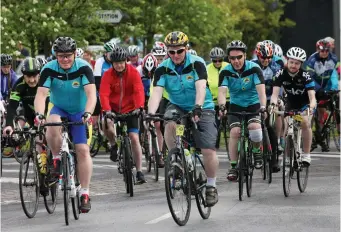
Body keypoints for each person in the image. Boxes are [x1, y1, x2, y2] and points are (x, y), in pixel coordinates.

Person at [148, 31, 219, 207]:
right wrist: (150, 113)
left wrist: (198, 107)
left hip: (202, 105)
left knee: (208, 149)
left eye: (179, 51)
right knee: (169, 122)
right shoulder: (162, 68)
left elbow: (201, 87)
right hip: (177, 106)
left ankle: (211, 186)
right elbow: (156, 93)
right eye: (171, 52)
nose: (175, 56)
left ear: (186, 49)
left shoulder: (197, 64)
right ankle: (176, 158)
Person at [34, 36, 96, 213]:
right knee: (51, 122)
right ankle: (55, 159)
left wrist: (88, 113)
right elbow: (41, 95)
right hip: (58, 108)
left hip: (79, 111)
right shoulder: (48, 69)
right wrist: (39, 114)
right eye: (61, 56)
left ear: (75, 54)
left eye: (68, 55)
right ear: (56, 55)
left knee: (83, 150)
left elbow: (91, 94)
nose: (65, 59)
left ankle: (84, 193)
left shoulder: (84, 67)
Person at [218, 40, 266, 181]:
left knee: (255, 127)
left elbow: (261, 93)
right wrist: (222, 106)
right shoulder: (225, 71)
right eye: (232, 58)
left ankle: (257, 150)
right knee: (235, 132)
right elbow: (222, 93)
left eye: (239, 57)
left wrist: (263, 107)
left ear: (245, 56)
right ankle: (233, 166)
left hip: (253, 103)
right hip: (236, 105)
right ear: (229, 59)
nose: (236, 61)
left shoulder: (254, 68)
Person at [99, 46, 147, 184]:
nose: (119, 65)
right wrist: (107, 110)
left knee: (134, 138)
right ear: (112, 63)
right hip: (113, 109)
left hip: (131, 109)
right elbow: (104, 94)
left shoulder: (133, 73)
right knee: (106, 124)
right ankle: (113, 144)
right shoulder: (107, 75)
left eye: (121, 62)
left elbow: (138, 90)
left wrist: (139, 107)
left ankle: (139, 171)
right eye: (116, 63)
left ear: (126, 61)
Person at [270, 47, 317, 166]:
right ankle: (287, 156)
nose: (293, 65)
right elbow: (274, 95)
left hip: (304, 105)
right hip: (290, 104)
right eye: (291, 62)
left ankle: (306, 155)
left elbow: (312, 98)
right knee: (287, 128)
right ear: (287, 61)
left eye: (297, 63)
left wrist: (310, 108)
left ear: (301, 64)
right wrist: (273, 105)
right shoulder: (280, 73)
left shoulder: (306, 76)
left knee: (305, 123)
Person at [251, 41, 282, 172]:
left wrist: (277, 100)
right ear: (258, 56)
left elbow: (278, 86)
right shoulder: (251, 66)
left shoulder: (275, 67)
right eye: (263, 58)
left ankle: (274, 158)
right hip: (254, 99)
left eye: (269, 57)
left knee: (269, 126)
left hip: (270, 98)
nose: (266, 60)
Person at [304, 39, 339, 152]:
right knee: (314, 111)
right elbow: (310, 77)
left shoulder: (333, 59)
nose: (324, 53)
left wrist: (334, 87)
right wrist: (318, 90)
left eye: (326, 51)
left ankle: (322, 135)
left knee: (326, 111)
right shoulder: (312, 60)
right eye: (322, 51)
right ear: (317, 50)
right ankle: (315, 133)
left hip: (328, 88)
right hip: (315, 88)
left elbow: (334, 74)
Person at [3, 57, 48, 134]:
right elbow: (12, 106)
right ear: (23, 75)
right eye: (28, 76)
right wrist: (9, 125)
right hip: (29, 115)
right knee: (37, 141)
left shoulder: (45, 83)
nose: (31, 80)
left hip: (46, 114)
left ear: (39, 74)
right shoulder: (18, 85)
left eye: (34, 76)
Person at [206, 47, 229, 148]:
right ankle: (215, 145)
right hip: (214, 101)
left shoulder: (228, 66)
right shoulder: (207, 69)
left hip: (229, 99)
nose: (217, 62)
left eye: (220, 60)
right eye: (215, 60)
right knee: (215, 123)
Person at [93, 41, 117, 127]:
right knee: (97, 106)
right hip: (101, 88)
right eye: (110, 54)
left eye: (113, 54)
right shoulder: (100, 62)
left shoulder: (116, 62)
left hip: (113, 90)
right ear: (106, 53)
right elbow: (97, 80)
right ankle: (95, 128)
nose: (112, 56)